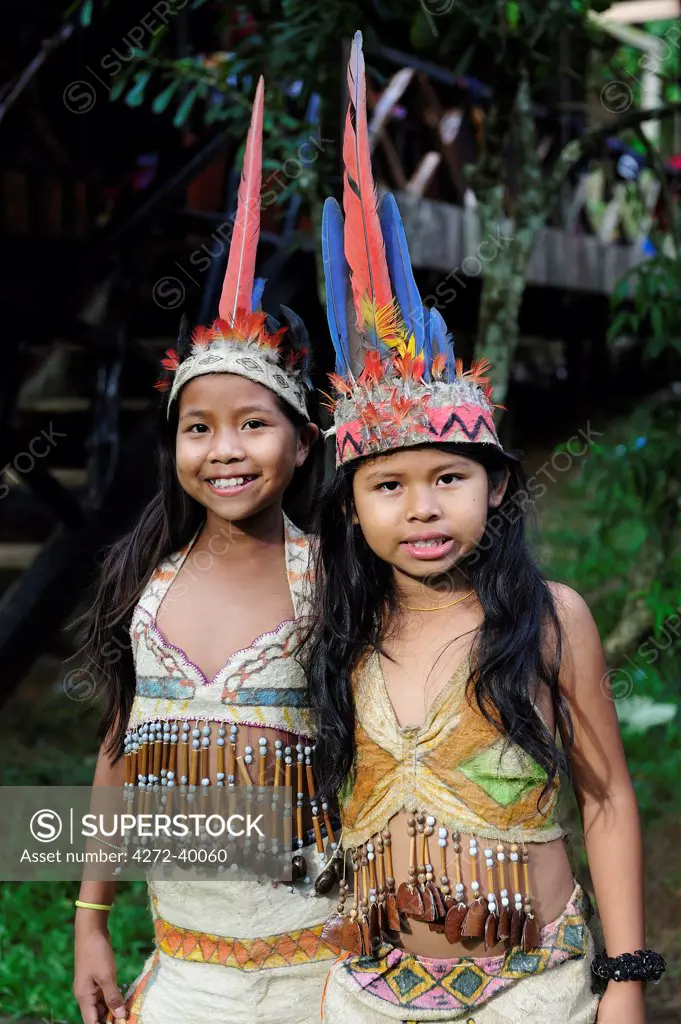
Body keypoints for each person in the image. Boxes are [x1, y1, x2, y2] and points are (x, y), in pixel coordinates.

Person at [305, 32, 665, 1024]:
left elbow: (605, 799)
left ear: (496, 489)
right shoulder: (335, 623)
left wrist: (625, 983)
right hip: (370, 993)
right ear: (353, 505)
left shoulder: (551, 620)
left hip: (532, 990)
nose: (421, 506)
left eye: (449, 477)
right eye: (389, 486)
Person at [72, 77, 339, 1024]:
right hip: (185, 973)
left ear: (302, 442)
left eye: (252, 425)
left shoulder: (337, 584)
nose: (224, 450)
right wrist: (90, 922)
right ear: (174, 443)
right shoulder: (145, 585)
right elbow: (119, 749)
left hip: (325, 971)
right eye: (198, 428)